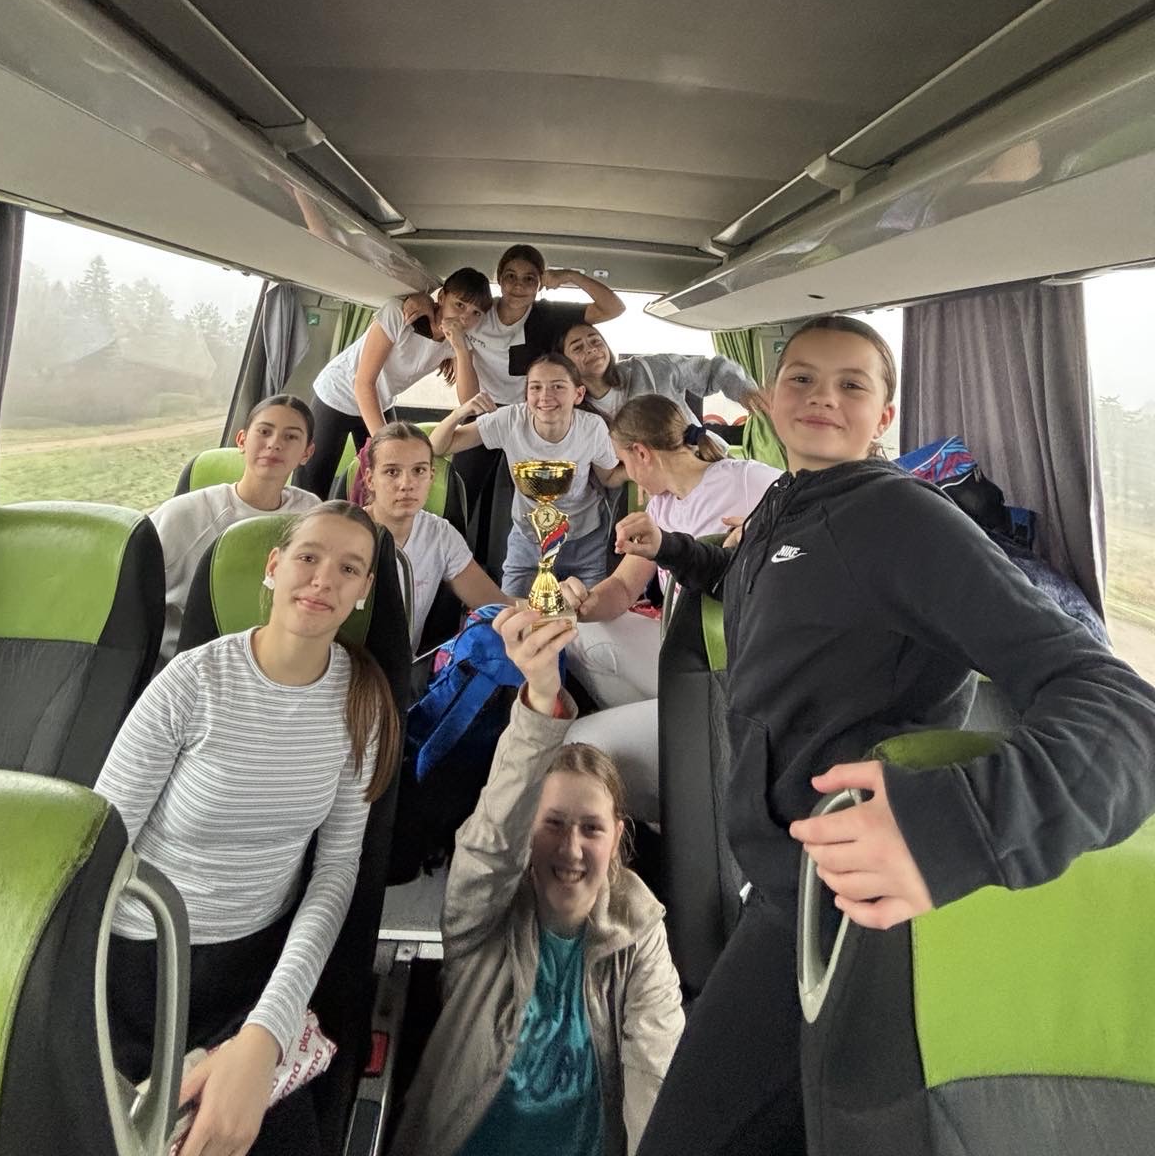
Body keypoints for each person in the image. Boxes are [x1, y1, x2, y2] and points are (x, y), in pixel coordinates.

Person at [611, 314, 1155, 1156]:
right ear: (767, 400)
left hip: (846, 907)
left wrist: (958, 826)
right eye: (801, 378)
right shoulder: (789, 502)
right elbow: (765, 576)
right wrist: (681, 551)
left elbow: (1123, 711)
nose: (822, 397)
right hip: (782, 885)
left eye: (851, 384)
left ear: (884, 416)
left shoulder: (900, 518)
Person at [96, 502, 401, 1156]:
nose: (324, 579)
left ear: (363, 591)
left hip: (255, 968)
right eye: (308, 557)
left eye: (349, 569)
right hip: (135, 962)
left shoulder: (363, 704)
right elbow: (99, 848)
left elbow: (334, 875)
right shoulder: (191, 683)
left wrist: (267, 1029)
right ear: (273, 567)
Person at [388, 605, 684, 1156]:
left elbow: (655, 1068)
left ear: (618, 836)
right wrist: (542, 695)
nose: (571, 849)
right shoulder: (483, 919)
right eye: (552, 824)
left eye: (591, 829)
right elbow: (491, 839)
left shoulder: (639, 931)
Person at [556, 396, 779, 822]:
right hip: (682, 653)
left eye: (624, 462)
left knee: (580, 744)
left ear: (641, 453)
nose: (625, 474)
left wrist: (760, 532)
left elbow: (807, 510)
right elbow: (624, 587)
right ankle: (668, 750)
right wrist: (582, 603)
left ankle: (673, 775)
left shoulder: (745, 480)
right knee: (580, 633)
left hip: (731, 666)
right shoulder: (661, 506)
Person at [429, 354, 627, 595]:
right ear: (526, 395)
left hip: (585, 541)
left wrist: (638, 470)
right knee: (511, 611)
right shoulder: (510, 419)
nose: (545, 396)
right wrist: (460, 413)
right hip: (527, 541)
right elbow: (438, 446)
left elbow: (608, 478)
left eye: (558, 386)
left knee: (591, 614)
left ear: (578, 394)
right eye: (535, 387)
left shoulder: (592, 427)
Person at [151, 394, 320, 657]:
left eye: (291, 437)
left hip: (273, 654)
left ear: (307, 453)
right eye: (264, 432)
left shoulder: (310, 513)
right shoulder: (184, 514)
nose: (275, 444)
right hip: (188, 654)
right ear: (241, 440)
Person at [300, 268, 493, 497]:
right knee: (312, 486)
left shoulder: (459, 341)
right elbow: (363, 383)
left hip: (380, 400)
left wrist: (460, 348)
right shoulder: (399, 313)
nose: (465, 318)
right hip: (337, 394)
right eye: (459, 305)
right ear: (441, 297)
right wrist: (385, 443)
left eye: (475, 313)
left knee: (389, 481)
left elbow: (468, 401)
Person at [360, 421, 518, 649]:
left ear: (431, 477)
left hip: (405, 666)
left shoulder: (440, 536)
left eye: (419, 471)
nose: (406, 484)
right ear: (370, 479)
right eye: (392, 472)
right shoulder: (343, 533)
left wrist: (557, 607)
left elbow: (499, 606)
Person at [463, 245, 626, 407]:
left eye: (529, 279)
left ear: (540, 284)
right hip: (484, 404)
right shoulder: (477, 312)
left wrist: (571, 276)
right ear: (499, 279)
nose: (519, 286)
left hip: (532, 409)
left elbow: (614, 308)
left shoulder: (548, 315)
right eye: (511, 276)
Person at [560, 322, 767, 428]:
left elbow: (713, 369)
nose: (591, 349)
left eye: (596, 341)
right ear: (565, 362)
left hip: (700, 459)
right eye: (578, 348)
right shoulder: (573, 410)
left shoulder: (651, 368)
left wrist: (745, 391)